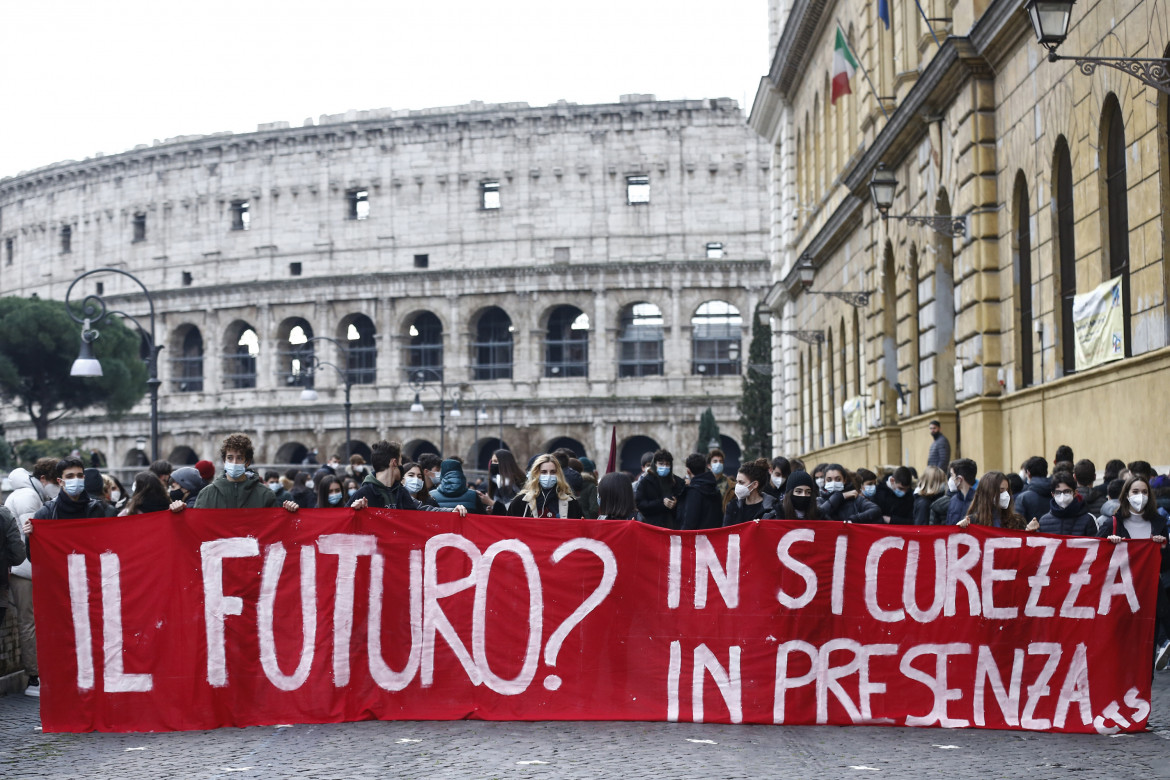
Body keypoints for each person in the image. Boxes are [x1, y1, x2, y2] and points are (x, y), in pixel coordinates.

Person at [23, 456, 114, 696]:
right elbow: (34, 557)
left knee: (96, 642)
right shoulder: (45, 513)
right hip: (61, 591)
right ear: (60, 481)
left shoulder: (101, 510)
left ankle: (95, 692)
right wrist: (31, 536)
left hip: (94, 587)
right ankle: (68, 695)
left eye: (80, 475)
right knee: (64, 645)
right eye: (70, 476)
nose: (76, 480)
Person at [1099, 475, 1170, 669]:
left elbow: (1165, 565)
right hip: (1121, 598)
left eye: (1145, 492)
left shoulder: (1158, 523)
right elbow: (1096, 559)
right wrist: (1109, 546)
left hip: (1150, 596)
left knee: (1146, 657)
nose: (1141, 496)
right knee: (1123, 654)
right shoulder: (1112, 524)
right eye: (1136, 492)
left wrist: (1162, 549)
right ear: (1126, 495)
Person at [191, 434, 299, 511]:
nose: (234, 462)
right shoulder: (206, 495)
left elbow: (275, 529)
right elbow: (195, 527)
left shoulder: (265, 495)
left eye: (239, 458)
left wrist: (289, 513)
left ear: (247, 462)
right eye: (230, 458)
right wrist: (178, 512)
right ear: (224, 461)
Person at [349, 440, 461, 513]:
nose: (402, 466)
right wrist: (354, 510)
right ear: (394, 463)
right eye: (400, 462)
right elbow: (343, 520)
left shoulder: (400, 492)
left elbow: (422, 509)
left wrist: (451, 511)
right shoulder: (363, 494)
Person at [507, 454, 583, 518]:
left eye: (553, 472)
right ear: (536, 474)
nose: (548, 475)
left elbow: (579, 529)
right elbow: (509, 528)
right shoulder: (520, 502)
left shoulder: (571, 503)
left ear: (558, 475)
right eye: (544, 472)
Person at [957, 471, 1032, 530]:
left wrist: (1031, 532)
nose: (1006, 495)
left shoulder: (1017, 522)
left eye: (1007, 490)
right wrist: (959, 529)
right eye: (1001, 490)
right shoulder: (972, 522)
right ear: (988, 493)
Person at [634, 449, 685, 529]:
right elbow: (640, 504)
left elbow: (684, 506)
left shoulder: (678, 482)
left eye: (667, 464)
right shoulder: (646, 481)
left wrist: (675, 504)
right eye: (661, 464)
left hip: (673, 526)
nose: (664, 467)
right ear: (655, 464)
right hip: (652, 526)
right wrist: (661, 503)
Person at [1038, 471, 1097, 536]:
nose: (1062, 496)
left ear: (1075, 493)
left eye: (1067, 491)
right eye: (1058, 492)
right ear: (1053, 494)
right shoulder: (1044, 521)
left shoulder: (1087, 520)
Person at [722, 458, 774, 526]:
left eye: (741, 482)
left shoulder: (772, 509)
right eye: (737, 482)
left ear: (755, 484)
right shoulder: (733, 507)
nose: (737, 486)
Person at [679, 452, 724, 530]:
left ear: (688, 471)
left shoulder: (694, 491)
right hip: (713, 536)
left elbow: (690, 522)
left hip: (698, 538)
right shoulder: (715, 488)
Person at [1015, 456, 1053, 524]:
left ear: (1028, 473)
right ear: (1047, 472)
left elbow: (1018, 525)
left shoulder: (1023, 498)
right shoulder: (1057, 493)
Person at [945, 458, 979, 526]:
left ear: (959, 479)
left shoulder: (979, 501)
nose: (950, 479)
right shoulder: (953, 500)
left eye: (952, 475)